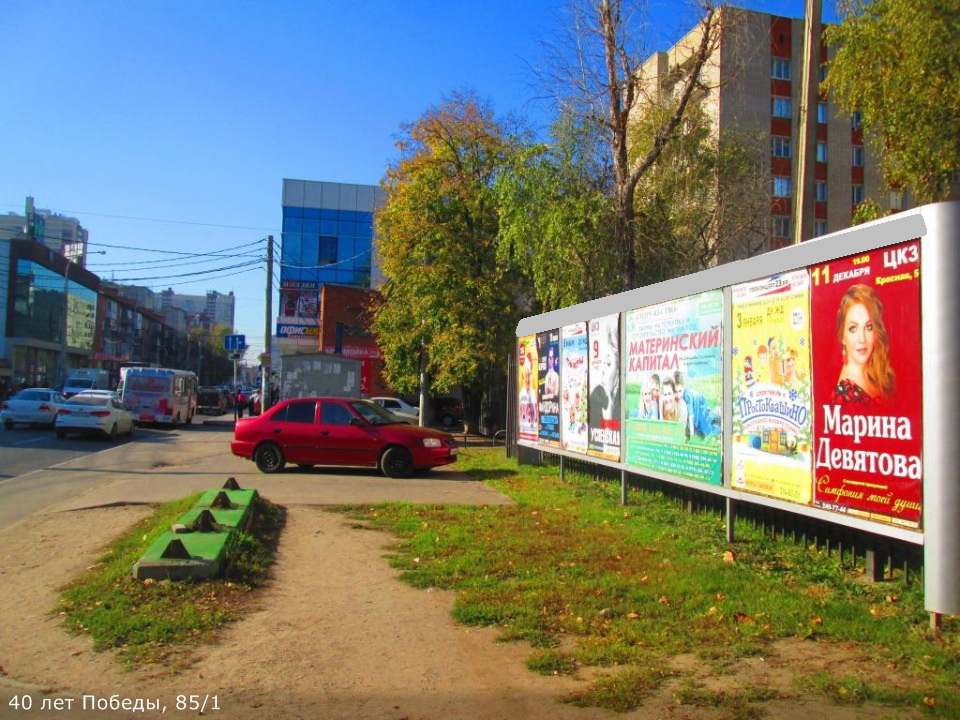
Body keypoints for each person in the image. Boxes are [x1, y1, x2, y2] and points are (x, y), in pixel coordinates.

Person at [832, 284, 895, 407]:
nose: (862, 339)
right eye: (853, 328)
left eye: (868, 327)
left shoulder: (876, 374)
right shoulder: (844, 396)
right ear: (843, 336)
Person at [674, 371, 720, 439]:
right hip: (698, 403)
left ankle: (718, 414)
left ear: (683, 387)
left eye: (680, 391)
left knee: (706, 428)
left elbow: (690, 416)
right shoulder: (682, 394)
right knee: (706, 419)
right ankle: (716, 413)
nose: (678, 395)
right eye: (676, 392)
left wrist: (692, 436)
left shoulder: (687, 396)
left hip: (699, 406)